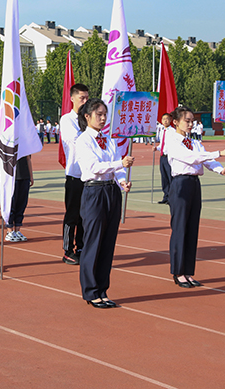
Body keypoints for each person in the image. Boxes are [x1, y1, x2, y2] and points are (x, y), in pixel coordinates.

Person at [75, 98, 134, 308]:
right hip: (94, 192)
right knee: (94, 242)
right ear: (87, 117)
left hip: (111, 191)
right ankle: (91, 291)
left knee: (108, 243)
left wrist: (122, 180)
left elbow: (117, 166)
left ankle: (102, 289)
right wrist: (120, 163)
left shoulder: (108, 139)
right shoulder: (83, 140)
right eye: (98, 114)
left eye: (104, 114)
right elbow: (93, 167)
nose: (102, 118)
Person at [166, 106, 225, 288]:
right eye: (186, 120)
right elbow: (191, 158)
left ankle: (188, 271)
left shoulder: (194, 142)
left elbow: (205, 160)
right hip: (180, 185)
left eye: (191, 121)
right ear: (176, 122)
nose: (190, 124)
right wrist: (219, 152)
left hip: (194, 184)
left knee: (192, 228)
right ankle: (178, 271)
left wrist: (220, 169)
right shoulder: (173, 141)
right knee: (180, 228)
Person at [59, 83, 89, 264]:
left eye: (87, 98)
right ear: (72, 99)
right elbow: (78, 141)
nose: (85, 101)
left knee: (86, 215)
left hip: (90, 175)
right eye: (81, 98)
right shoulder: (67, 120)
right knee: (73, 215)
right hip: (74, 174)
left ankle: (83, 247)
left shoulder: (90, 119)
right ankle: (68, 250)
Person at [5, 156, 33, 242]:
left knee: (22, 204)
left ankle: (17, 230)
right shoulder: (10, 143)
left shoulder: (26, 144)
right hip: (12, 177)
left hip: (24, 177)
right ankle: (9, 230)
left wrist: (31, 176)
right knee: (12, 204)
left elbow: (28, 159)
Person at [153, 112, 174, 205]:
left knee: (170, 177)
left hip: (170, 157)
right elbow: (162, 144)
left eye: (167, 119)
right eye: (163, 119)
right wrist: (156, 148)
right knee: (164, 177)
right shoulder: (162, 131)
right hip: (162, 157)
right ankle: (166, 196)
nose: (165, 121)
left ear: (170, 120)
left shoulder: (173, 131)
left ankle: (172, 197)